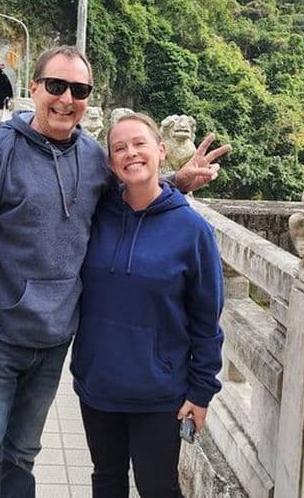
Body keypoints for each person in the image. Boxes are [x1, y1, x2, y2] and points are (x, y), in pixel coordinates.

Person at [0, 45, 230, 497]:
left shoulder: (93, 157)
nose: (65, 98)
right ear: (33, 89)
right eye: (55, 86)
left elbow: (133, 195)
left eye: (79, 89)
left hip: (54, 343)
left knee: (21, 457)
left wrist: (177, 182)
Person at [71, 112, 224, 497]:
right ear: (109, 163)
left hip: (159, 391)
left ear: (161, 150)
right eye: (119, 148)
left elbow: (207, 320)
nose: (131, 153)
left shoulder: (192, 231)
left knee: (157, 487)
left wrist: (201, 390)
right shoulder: (96, 216)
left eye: (140, 144)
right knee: (106, 479)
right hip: (98, 383)